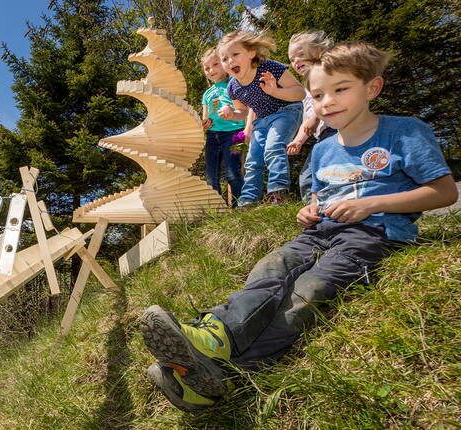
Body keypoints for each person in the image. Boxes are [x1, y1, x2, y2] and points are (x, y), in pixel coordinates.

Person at [141, 41, 458, 412]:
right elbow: (319, 196)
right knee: (272, 268)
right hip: (318, 231)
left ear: (372, 87)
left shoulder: (404, 132)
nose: (327, 102)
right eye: (318, 94)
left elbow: (443, 192)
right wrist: (308, 212)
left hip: (374, 233)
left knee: (308, 291)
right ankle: (216, 334)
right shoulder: (323, 149)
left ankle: (224, 377)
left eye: (340, 89)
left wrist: (371, 204)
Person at [217, 30, 306, 206]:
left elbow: (300, 93)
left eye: (235, 54)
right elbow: (242, 112)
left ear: (251, 53)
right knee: (253, 159)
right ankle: (248, 199)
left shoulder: (268, 67)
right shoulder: (233, 87)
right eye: (225, 58)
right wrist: (231, 114)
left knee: (273, 148)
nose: (230, 61)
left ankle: (277, 192)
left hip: (286, 110)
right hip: (261, 120)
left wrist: (275, 91)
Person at [286, 30, 337, 202]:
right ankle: (315, 209)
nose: (296, 61)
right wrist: (299, 140)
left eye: (300, 55)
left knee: (318, 175)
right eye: (292, 59)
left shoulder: (328, 73)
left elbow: (328, 98)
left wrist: (316, 117)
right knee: (308, 177)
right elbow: (306, 122)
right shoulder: (306, 88)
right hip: (323, 137)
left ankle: (323, 208)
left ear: (319, 51)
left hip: (338, 133)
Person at [200, 47, 245, 206]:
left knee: (233, 171)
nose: (211, 70)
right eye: (207, 68)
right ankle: (217, 209)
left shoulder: (234, 84)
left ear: (223, 63)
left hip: (235, 134)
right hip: (213, 136)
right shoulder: (206, 94)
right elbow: (205, 119)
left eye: (215, 64)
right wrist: (205, 124)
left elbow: (242, 110)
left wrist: (231, 112)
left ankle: (242, 206)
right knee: (211, 175)